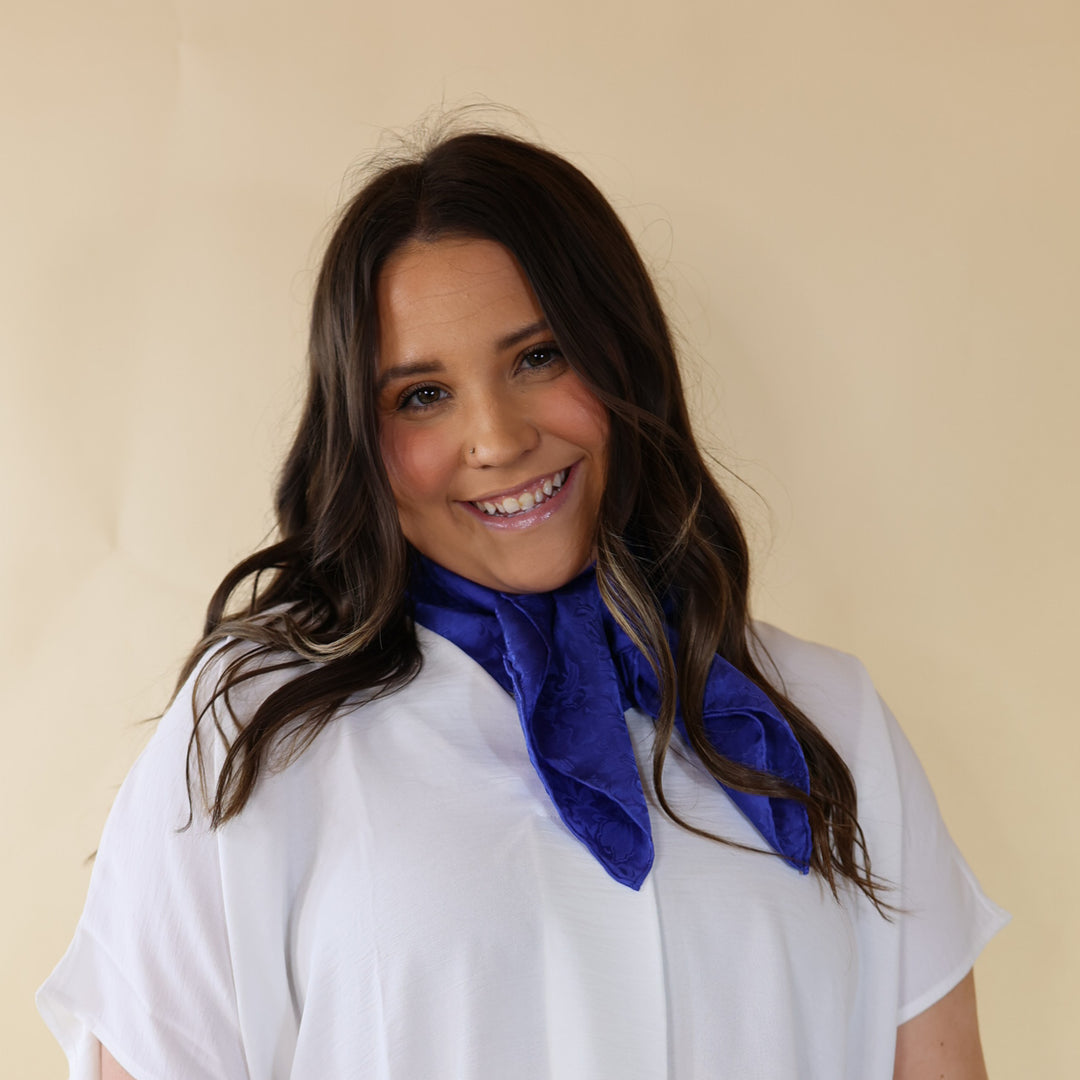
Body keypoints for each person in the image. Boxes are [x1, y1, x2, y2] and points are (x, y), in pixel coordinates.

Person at [37, 129, 1008, 1080]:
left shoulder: (829, 719)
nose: (497, 439)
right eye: (422, 396)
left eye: (539, 357)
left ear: (623, 358)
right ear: (361, 437)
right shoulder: (257, 736)